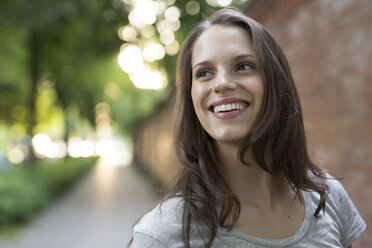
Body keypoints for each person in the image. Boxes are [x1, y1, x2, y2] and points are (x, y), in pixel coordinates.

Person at [129, 8, 366, 248]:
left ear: (275, 82)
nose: (221, 84)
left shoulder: (329, 198)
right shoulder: (161, 234)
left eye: (243, 66)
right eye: (204, 73)